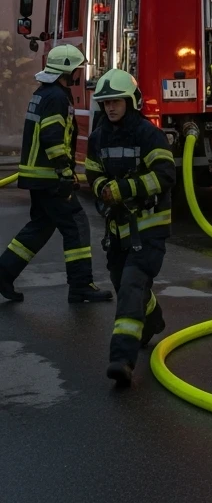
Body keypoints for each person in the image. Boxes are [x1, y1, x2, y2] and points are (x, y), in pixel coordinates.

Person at [84, 68, 176, 388]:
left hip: (149, 229)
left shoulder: (149, 135)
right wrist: (102, 190)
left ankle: (122, 360)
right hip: (117, 231)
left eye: (116, 102)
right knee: (126, 286)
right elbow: (92, 174)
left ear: (131, 102)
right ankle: (153, 320)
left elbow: (165, 175)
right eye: (106, 102)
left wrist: (123, 189)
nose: (110, 108)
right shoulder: (98, 137)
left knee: (132, 285)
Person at [0, 45, 112, 304]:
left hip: (37, 176)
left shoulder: (44, 93)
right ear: (68, 71)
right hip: (49, 178)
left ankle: (4, 272)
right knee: (77, 225)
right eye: (76, 69)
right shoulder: (57, 98)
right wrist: (65, 172)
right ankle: (81, 285)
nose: (78, 74)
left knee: (41, 226)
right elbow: (52, 138)